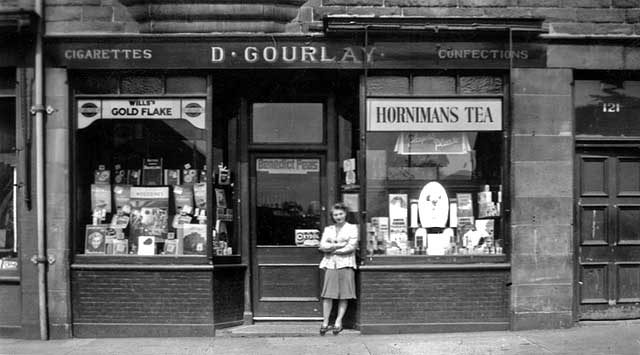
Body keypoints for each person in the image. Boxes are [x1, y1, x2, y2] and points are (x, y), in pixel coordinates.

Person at [318, 202, 358, 336]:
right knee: (328, 295)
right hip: (330, 264)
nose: (338, 216)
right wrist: (340, 245)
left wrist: (333, 248)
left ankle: (338, 322)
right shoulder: (328, 229)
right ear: (332, 216)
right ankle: (325, 322)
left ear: (345, 214)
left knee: (344, 295)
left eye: (341, 214)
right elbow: (322, 245)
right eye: (335, 214)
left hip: (345, 264)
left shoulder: (352, 228)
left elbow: (351, 247)